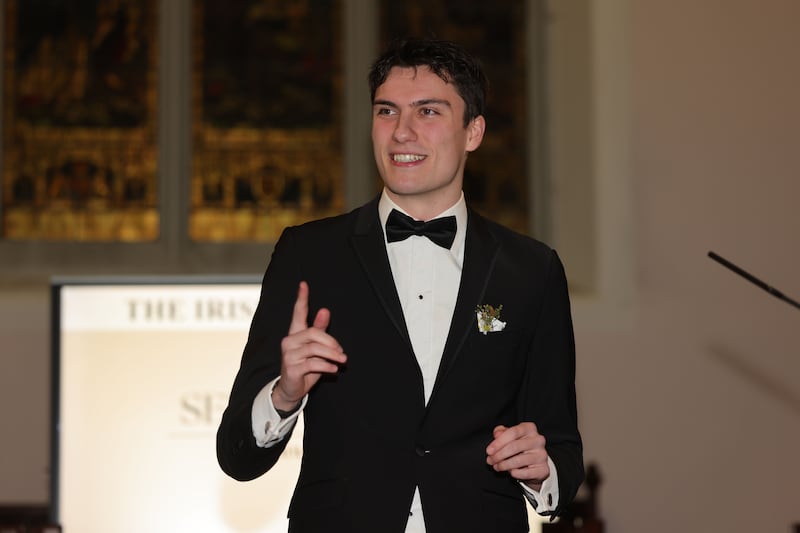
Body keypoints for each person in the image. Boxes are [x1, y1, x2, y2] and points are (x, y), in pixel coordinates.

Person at [217, 37, 584, 533]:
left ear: (473, 131)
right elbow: (237, 457)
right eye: (386, 112)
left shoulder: (532, 270)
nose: (401, 133)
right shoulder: (309, 253)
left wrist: (543, 472)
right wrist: (284, 395)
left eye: (428, 112)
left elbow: (560, 444)